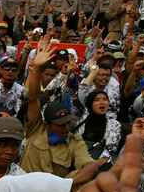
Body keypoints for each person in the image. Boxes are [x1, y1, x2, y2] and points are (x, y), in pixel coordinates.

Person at [20, 38, 96, 178]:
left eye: (67, 123)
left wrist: (66, 183)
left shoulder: (73, 140)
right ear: (47, 124)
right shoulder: (35, 129)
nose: (65, 128)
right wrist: (35, 69)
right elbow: (32, 98)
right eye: (60, 125)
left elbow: (87, 165)